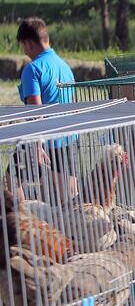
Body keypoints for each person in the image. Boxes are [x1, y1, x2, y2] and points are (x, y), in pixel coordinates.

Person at [5, 17, 77, 202]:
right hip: (68, 138)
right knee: (67, 199)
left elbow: (36, 111)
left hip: (42, 141)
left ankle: (22, 223)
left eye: (22, 46)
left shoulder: (33, 69)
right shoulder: (65, 67)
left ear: (28, 43)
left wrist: (37, 145)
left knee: (11, 182)